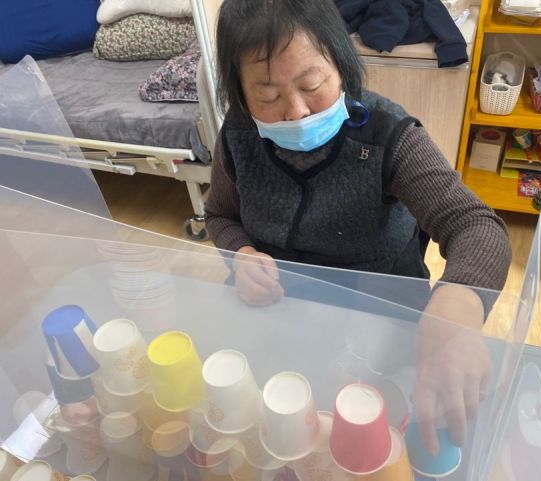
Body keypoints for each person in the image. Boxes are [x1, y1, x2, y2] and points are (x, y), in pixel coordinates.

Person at [204, 0, 511, 454]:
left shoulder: (389, 135)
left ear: (341, 64)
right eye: (267, 96)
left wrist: (460, 304)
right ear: (240, 91)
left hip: (380, 318)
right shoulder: (239, 135)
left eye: (312, 85)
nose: (297, 111)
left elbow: (476, 225)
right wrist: (241, 255)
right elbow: (220, 216)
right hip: (283, 312)